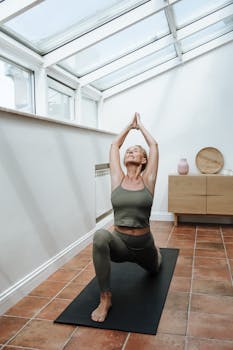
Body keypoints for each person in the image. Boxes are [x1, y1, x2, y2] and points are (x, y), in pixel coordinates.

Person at [91, 112, 162, 322]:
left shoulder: (148, 179)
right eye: (129, 150)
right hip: (120, 243)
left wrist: (140, 126)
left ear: (144, 159)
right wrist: (129, 126)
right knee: (100, 236)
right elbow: (114, 146)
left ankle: (156, 253)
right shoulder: (117, 179)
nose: (131, 152)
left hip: (144, 245)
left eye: (136, 151)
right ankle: (105, 298)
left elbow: (154, 146)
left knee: (156, 268)